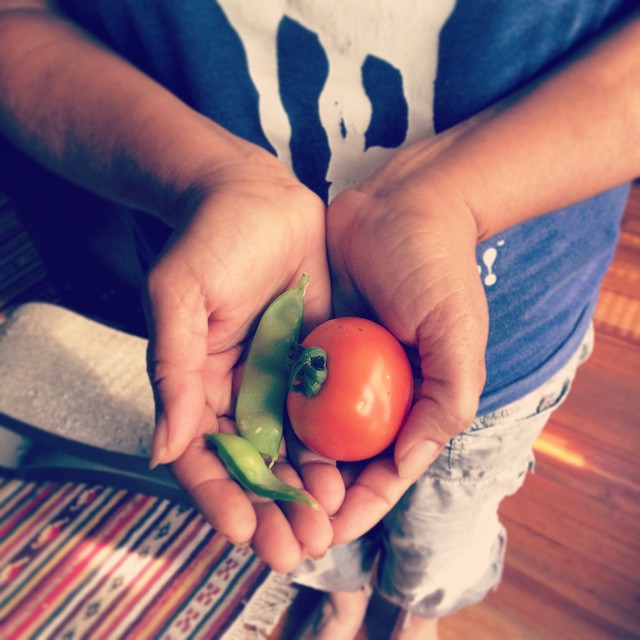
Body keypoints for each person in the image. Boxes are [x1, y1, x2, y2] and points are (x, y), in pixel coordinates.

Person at [0, 1, 638, 638]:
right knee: (315, 530)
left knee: (445, 538)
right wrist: (210, 177)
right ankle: (345, 601)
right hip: (242, 317)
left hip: (514, 348)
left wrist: (454, 198)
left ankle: (418, 611)